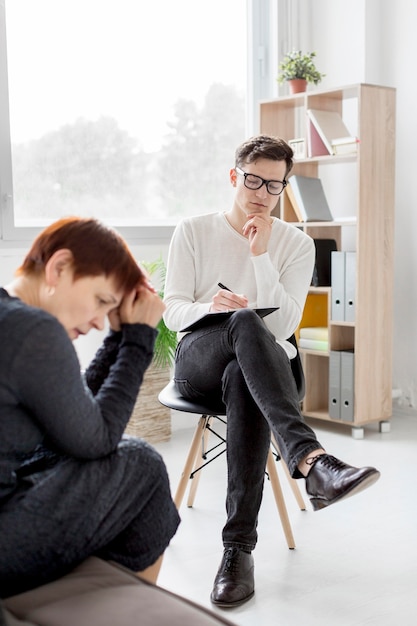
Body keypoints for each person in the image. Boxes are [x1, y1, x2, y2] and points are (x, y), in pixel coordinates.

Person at [163, 134, 380, 608]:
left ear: (283, 188)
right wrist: (207, 307)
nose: (261, 193)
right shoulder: (194, 230)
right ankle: (312, 461)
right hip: (200, 356)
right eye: (253, 180)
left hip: (260, 370)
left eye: (274, 186)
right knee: (241, 320)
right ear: (233, 175)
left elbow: (283, 326)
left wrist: (260, 256)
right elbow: (172, 311)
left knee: (246, 374)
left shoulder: (296, 245)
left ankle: (236, 552)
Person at [0, 217, 180, 598]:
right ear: (59, 267)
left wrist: (119, 336)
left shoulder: (13, 321)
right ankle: (131, 612)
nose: (99, 321)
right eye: (100, 301)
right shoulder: (32, 330)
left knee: (79, 454)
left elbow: (73, 424)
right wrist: (138, 339)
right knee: (142, 464)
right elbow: (96, 441)